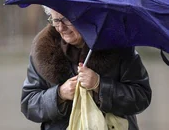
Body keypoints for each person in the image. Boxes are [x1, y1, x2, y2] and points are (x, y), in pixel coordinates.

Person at [21, 7, 152, 130]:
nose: (61, 27)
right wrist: (59, 94)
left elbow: (141, 97)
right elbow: (28, 104)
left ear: (86, 16)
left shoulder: (119, 47)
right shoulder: (42, 51)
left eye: (67, 19)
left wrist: (100, 86)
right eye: (55, 20)